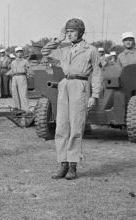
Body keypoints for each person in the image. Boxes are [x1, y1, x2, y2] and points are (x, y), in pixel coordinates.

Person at [41, 18, 102, 180]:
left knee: (76, 126)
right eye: (67, 32)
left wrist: (94, 96)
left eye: (72, 31)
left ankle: (73, 165)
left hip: (80, 86)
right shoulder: (64, 49)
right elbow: (45, 52)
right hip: (65, 85)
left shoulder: (91, 50)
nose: (69, 34)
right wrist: (58, 40)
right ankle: (63, 164)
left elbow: (96, 74)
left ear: (81, 32)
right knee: (61, 126)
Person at [7, 47, 31, 112]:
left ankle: (26, 110)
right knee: (15, 93)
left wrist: (28, 76)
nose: (19, 53)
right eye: (18, 52)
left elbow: (29, 70)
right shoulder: (13, 62)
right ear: (15, 53)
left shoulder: (25, 61)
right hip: (14, 77)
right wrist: (8, 73)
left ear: (22, 53)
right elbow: (12, 70)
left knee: (23, 94)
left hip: (22, 76)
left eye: (20, 52)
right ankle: (18, 108)